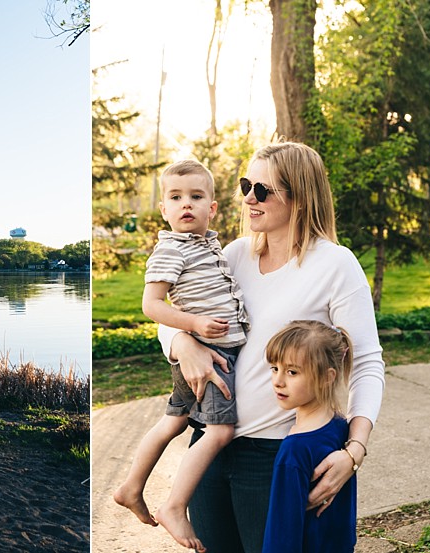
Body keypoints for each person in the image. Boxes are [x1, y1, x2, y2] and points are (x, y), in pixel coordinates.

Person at [160, 141, 384, 553]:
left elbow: (366, 362)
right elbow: (173, 311)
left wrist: (354, 450)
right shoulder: (231, 255)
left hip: (277, 455)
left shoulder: (336, 264)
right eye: (247, 185)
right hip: (209, 443)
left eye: (262, 190)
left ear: (299, 197)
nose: (248, 198)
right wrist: (179, 341)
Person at [114, 159, 248, 552]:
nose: (186, 204)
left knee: (174, 421)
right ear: (164, 210)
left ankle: (131, 486)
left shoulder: (207, 244)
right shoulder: (171, 249)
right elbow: (151, 305)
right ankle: (174, 505)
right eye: (176, 197)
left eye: (196, 196)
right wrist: (194, 324)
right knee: (220, 431)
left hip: (207, 348)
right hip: (210, 353)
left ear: (213, 207)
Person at [262, 320, 358, 552]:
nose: (278, 381)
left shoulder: (294, 450)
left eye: (292, 372)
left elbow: (281, 536)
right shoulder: (340, 426)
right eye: (275, 368)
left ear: (327, 377)